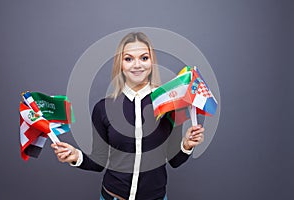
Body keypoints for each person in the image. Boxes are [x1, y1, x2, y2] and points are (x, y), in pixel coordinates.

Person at [51, 32, 205, 200]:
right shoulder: (103, 108)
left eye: (144, 58)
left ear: (151, 63)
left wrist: (187, 145)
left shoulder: (169, 104)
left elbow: (174, 160)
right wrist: (76, 156)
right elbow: (98, 162)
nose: (137, 65)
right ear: (120, 65)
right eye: (129, 59)